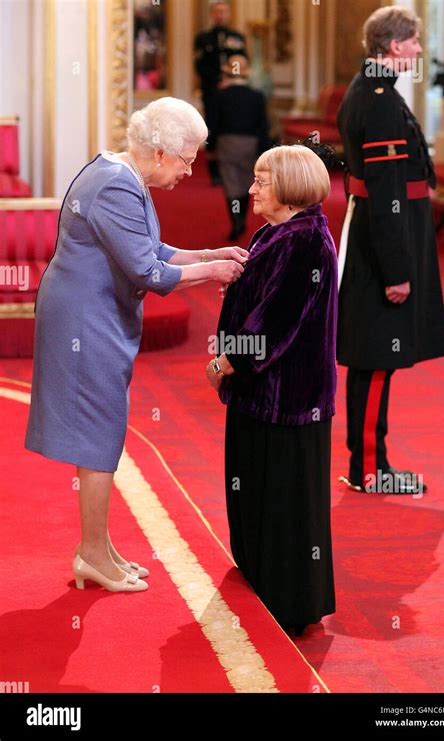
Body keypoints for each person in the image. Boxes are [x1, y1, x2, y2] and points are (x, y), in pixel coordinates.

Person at [25, 97, 247, 593]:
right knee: (99, 432)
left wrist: (209, 253)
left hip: (95, 311)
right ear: (160, 151)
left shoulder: (127, 176)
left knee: (103, 430)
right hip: (84, 320)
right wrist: (214, 270)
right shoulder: (114, 187)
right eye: (187, 159)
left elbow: (154, 250)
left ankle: (99, 548)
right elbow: (150, 272)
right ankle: (93, 555)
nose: (190, 170)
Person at [206, 144, 338, 636]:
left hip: (287, 397)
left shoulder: (301, 241)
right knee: (259, 486)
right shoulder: (281, 232)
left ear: (289, 187)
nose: (252, 188)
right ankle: (262, 572)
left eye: (262, 180)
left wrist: (226, 360)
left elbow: (275, 327)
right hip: (266, 395)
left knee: (285, 497)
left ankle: (291, 599)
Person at [336, 6, 444, 496]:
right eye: (415, 42)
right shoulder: (380, 99)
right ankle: (369, 468)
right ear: (395, 46)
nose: (420, 51)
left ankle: (370, 462)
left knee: (375, 357)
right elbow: (386, 193)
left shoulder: (372, 88)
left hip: (377, 238)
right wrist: (397, 271)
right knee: (378, 358)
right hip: (385, 245)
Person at [209, 54, 270, 240]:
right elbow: (263, 125)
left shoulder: (219, 96)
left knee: (231, 184)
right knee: (246, 183)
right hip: (250, 145)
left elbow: (213, 123)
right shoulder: (257, 96)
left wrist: (210, 146)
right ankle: (241, 218)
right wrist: (263, 148)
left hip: (227, 143)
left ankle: (236, 220)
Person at [194, 1, 247, 185]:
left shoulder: (237, 37)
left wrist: (231, 79)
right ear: (212, 15)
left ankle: (232, 169)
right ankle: (215, 173)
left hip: (233, 92)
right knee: (213, 130)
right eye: (217, 12)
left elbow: (242, 61)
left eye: (224, 12)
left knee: (230, 128)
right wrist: (218, 80)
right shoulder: (203, 38)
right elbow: (200, 65)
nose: (221, 16)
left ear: (229, 14)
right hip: (212, 92)